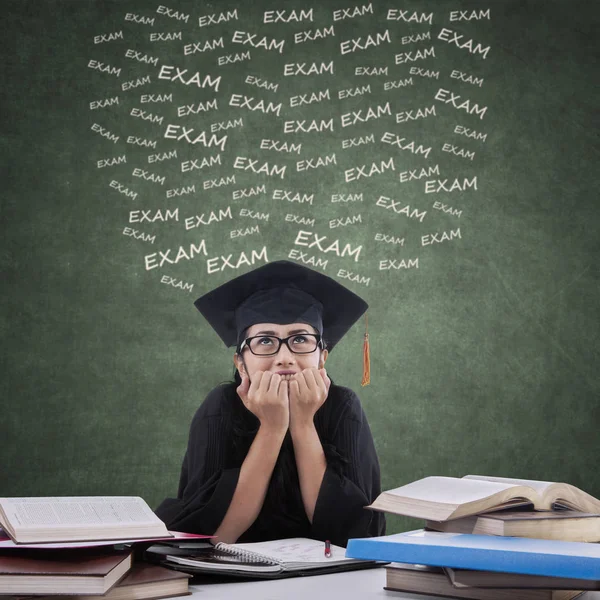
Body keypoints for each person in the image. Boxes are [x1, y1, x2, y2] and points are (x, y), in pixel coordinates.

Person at [155, 260, 385, 547]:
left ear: (322, 356)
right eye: (265, 341)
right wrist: (273, 427)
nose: (284, 357)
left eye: (300, 339)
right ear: (241, 363)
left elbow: (351, 540)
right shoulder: (221, 408)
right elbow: (212, 539)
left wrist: (302, 423)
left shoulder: (343, 407)